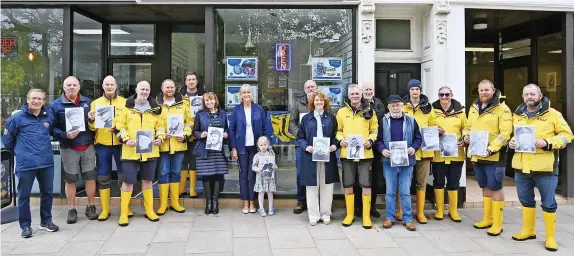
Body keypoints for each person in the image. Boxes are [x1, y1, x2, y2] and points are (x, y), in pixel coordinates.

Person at [509, 84, 573, 251]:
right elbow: (510, 135)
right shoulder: (517, 115)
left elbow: (567, 135)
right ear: (523, 97)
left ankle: (550, 238)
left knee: (549, 203)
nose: (529, 97)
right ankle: (528, 231)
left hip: (545, 169)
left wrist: (548, 143)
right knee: (526, 200)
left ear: (540, 95)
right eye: (526, 94)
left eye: (532, 94)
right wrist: (511, 142)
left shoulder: (553, 114)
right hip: (522, 167)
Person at [2, 89, 59, 238]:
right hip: (26, 164)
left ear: (43, 101)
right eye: (33, 98)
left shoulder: (48, 117)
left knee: (47, 193)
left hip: (46, 163)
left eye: (40, 99)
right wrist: (21, 153)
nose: (36, 101)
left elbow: (52, 132)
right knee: (24, 196)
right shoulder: (17, 119)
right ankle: (25, 226)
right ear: (27, 100)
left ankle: (46, 222)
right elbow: (8, 141)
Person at [463, 79, 512, 236]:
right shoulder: (473, 107)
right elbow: (468, 127)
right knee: (484, 185)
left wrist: (491, 149)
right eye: (481, 90)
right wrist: (466, 137)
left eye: (486, 90)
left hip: (494, 156)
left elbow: (505, 134)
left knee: (495, 186)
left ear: (493, 90)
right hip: (477, 155)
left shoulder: (502, 109)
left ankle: (497, 223)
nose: (483, 93)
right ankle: (487, 218)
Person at [116, 81, 165, 226]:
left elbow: (161, 126)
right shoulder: (126, 106)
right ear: (136, 89)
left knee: (148, 181)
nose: (144, 92)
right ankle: (124, 213)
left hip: (150, 152)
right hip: (130, 152)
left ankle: (149, 210)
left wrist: (160, 138)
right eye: (142, 89)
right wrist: (125, 139)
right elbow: (119, 125)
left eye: (147, 89)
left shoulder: (156, 108)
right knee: (128, 182)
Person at [49, 76, 98, 224]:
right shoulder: (56, 106)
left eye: (74, 85)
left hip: (88, 146)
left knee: (90, 178)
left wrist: (91, 120)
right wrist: (65, 135)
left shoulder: (88, 103)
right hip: (68, 147)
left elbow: (96, 125)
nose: (71, 87)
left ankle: (91, 206)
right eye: (68, 85)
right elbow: (51, 128)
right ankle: (72, 209)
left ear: (79, 87)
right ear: (63, 87)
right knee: (70, 180)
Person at [376, 94, 422, 231]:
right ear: (388, 107)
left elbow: (418, 139)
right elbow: (377, 140)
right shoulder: (382, 121)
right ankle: (389, 217)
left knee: (405, 191)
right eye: (393, 105)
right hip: (388, 161)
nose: (395, 108)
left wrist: (414, 148)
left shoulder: (411, 121)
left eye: (398, 105)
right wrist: (382, 150)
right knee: (390, 191)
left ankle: (407, 219)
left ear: (402, 106)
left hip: (407, 162)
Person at [336, 84, 378, 229]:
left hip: (365, 154)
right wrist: (340, 139)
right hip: (347, 154)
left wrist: (371, 140)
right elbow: (338, 130)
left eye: (357, 94)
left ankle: (366, 217)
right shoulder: (341, 112)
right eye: (352, 94)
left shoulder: (370, 111)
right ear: (348, 96)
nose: (354, 96)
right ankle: (350, 215)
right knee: (348, 184)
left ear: (361, 95)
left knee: (366, 184)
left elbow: (375, 130)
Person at [87, 75, 128, 221]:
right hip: (102, 144)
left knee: (123, 176)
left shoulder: (125, 102)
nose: (109, 87)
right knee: (103, 176)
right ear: (103, 86)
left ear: (116, 86)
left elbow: (129, 124)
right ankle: (105, 209)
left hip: (120, 144)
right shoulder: (95, 103)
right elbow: (92, 128)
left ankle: (125, 208)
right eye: (107, 84)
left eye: (112, 84)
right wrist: (91, 120)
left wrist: (118, 129)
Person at [297, 92, 339, 225]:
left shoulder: (331, 118)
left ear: (325, 102)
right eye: (316, 100)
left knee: (327, 186)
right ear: (312, 102)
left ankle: (326, 214)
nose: (319, 102)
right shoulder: (306, 119)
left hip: (328, 157)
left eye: (321, 100)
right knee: (311, 187)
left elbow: (336, 135)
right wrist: (306, 147)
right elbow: (300, 137)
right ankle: (313, 215)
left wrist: (334, 145)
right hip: (310, 157)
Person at [230, 84, 273, 214]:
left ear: (252, 95)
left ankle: (253, 201)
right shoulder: (236, 110)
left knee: (254, 174)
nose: (246, 94)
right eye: (244, 92)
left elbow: (266, 128)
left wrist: (269, 146)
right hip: (241, 147)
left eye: (248, 92)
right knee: (243, 174)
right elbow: (231, 130)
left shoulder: (259, 109)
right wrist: (233, 148)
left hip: (257, 148)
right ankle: (245, 202)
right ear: (240, 95)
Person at [428, 86, 467, 222]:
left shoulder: (461, 112)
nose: (444, 97)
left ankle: (453, 210)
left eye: (447, 95)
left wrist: (464, 139)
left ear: (452, 95)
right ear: (438, 96)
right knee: (438, 181)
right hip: (438, 153)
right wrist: (434, 130)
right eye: (441, 95)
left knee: (454, 181)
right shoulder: (432, 111)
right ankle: (439, 210)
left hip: (456, 153)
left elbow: (466, 128)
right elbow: (427, 127)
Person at [400, 79, 435, 224]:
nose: (415, 92)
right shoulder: (402, 106)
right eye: (412, 89)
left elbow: (433, 124)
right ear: (409, 91)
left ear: (420, 91)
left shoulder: (428, 107)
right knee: (403, 181)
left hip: (424, 152)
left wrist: (436, 130)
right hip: (406, 151)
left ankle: (420, 213)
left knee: (421, 182)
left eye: (417, 89)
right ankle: (400, 210)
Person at [156, 79, 191, 215]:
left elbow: (189, 121)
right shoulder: (155, 104)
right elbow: (153, 123)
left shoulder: (183, 103)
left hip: (179, 144)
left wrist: (185, 134)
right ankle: (163, 204)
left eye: (171, 87)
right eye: (167, 87)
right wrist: (160, 134)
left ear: (175, 88)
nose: (169, 89)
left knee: (176, 173)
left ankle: (175, 202)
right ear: (162, 88)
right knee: (163, 173)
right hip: (163, 145)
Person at [193, 92, 229, 215]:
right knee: (206, 176)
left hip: (218, 150)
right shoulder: (200, 114)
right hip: (205, 149)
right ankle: (208, 203)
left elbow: (227, 129)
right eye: (207, 101)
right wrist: (200, 134)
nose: (209, 102)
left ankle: (215, 202)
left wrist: (225, 134)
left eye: (211, 100)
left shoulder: (222, 113)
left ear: (215, 100)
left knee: (218, 175)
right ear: (204, 102)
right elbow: (195, 131)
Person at [354, 81, 385, 218]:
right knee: (358, 178)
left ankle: (371, 207)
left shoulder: (379, 104)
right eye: (366, 89)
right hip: (358, 147)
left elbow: (380, 124)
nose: (368, 91)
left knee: (375, 179)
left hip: (375, 146)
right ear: (361, 91)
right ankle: (358, 207)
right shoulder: (356, 104)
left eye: (370, 89)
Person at [289, 80, 317, 214]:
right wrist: (300, 136)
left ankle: (316, 201)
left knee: (318, 174)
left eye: (312, 86)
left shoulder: (322, 101)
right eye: (308, 87)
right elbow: (292, 123)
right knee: (301, 174)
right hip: (301, 145)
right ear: (304, 89)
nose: (310, 89)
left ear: (316, 88)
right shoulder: (298, 104)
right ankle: (301, 201)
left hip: (318, 145)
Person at [178, 71, 205, 198]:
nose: (191, 81)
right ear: (185, 82)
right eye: (189, 79)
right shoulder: (179, 96)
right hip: (182, 132)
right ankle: (182, 188)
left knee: (194, 161)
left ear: (196, 81)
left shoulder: (203, 96)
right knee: (183, 161)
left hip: (197, 131)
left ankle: (193, 189)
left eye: (193, 79)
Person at [253, 136, 278, 217]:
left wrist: (275, 167)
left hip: (270, 178)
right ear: (258, 146)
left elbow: (275, 165)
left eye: (264, 144)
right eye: (261, 145)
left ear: (268, 144)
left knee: (270, 192)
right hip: (261, 178)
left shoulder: (271, 154)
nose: (263, 146)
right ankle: (261, 208)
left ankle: (271, 208)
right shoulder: (257, 155)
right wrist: (258, 169)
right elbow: (253, 166)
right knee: (261, 192)